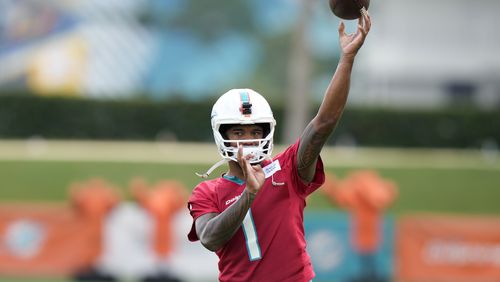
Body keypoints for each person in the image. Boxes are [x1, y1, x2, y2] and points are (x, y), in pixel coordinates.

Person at [187, 11, 371, 282]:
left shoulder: (286, 169)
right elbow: (211, 238)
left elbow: (323, 124)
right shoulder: (207, 192)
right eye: (238, 131)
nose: (248, 139)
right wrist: (248, 194)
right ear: (222, 134)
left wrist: (347, 59)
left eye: (255, 131)